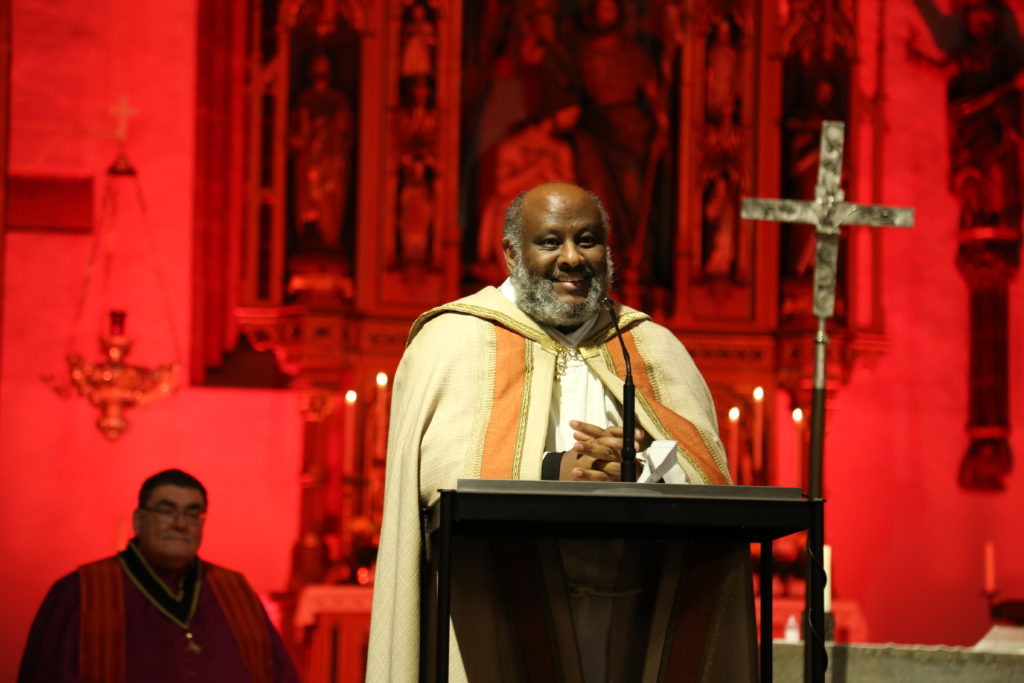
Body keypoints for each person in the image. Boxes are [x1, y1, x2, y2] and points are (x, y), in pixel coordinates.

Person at [367, 182, 757, 682]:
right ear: (512, 253)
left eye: (588, 240)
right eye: (550, 242)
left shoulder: (652, 346)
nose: (572, 258)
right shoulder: (453, 338)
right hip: (493, 614)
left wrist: (645, 471)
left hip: (634, 628)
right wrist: (555, 470)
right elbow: (436, 474)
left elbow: (707, 475)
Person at [18, 469, 299, 683]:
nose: (180, 524)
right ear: (139, 520)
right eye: (166, 511)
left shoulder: (234, 590)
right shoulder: (80, 592)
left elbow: (279, 674)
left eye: (192, 514)